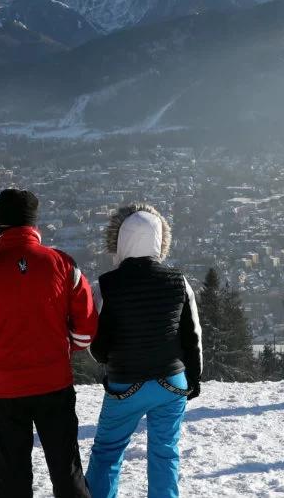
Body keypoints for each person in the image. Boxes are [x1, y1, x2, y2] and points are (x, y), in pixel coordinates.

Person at [0, 189, 98, 498]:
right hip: (55, 383)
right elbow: (86, 328)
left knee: (13, 477)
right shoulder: (62, 264)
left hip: (6, 389)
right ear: (34, 225)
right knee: (66, 469)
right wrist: (63, 348)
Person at [86, 204, 202, 498]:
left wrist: (109, 362)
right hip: (172, 381)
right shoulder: (179, 281)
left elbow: (97, 344)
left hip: (126, 382)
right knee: (165, 453)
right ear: (160, 240)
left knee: (107, 452)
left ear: (120, 240)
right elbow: (193, 335)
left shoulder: (105, 286)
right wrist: (194, 377)